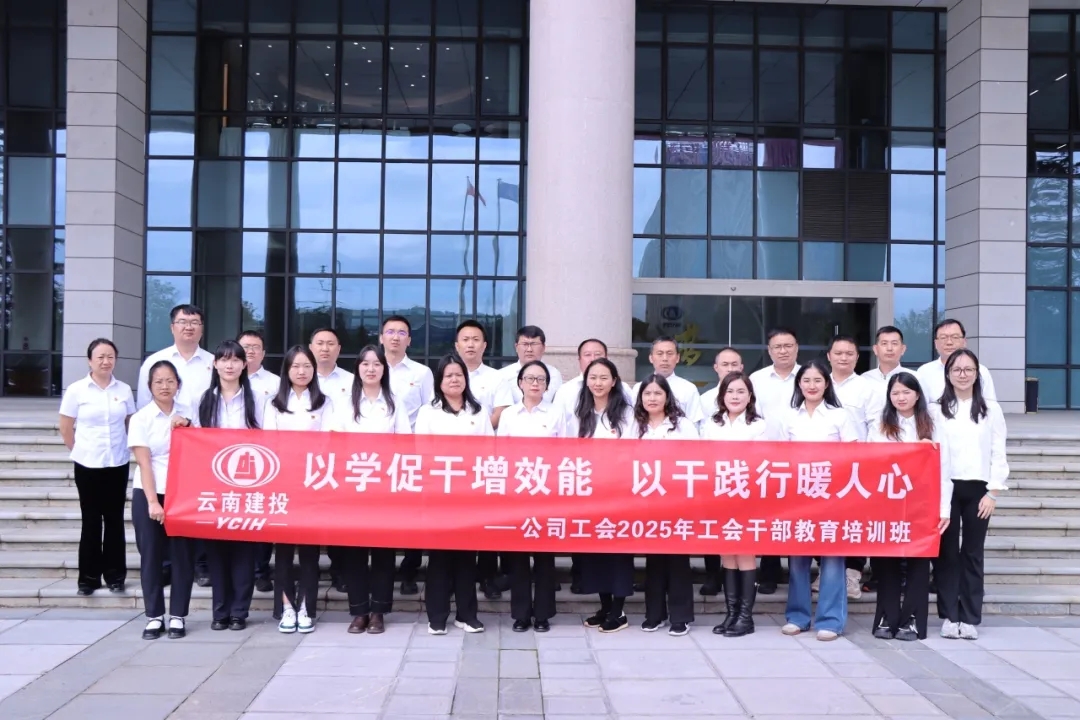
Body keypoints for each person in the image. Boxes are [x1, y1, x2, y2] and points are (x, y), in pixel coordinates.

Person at [776, 358, 860, 642]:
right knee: (797, 559)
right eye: (806, 380)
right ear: (799, 384)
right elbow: (778, 457)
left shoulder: (840, 416)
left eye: (817, 380)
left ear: (827, 384)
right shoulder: (789, 416)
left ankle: (830, 620)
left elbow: (854, 456)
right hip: (797, 496)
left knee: (832, 560)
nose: (812, 386)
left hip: (832, 496)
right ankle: (797, 617)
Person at [868, 372, 952, 641]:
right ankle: (887, 616)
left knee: (918, 560)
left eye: (906, 392)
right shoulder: (880, 424)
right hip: (888, 502)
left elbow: (945, 468)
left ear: (917, 395)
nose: (901, 398)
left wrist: (944, 509)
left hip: (923, 504)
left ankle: (912, 620)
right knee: (886, 561)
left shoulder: (933, 423)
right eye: (895, 393)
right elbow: (871, 462)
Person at [136, 303, 214, 587]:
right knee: (164, 511)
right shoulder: (155, 362)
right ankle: (166, 565)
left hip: (200, 447)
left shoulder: (212, 363)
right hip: (161, 449)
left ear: (202, 328)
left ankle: (201, 564)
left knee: (197, 506)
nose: (188, 327)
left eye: (194, 322)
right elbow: (144, 407)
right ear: (172, 327)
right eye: (182, 322)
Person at [933, 349, 1008, 641]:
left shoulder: (991, 409)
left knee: (973, 553)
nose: (962, 375)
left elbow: (998, 451)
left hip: (979, 489)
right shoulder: (936, 409)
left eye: (968, 370)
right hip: (945, 488)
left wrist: (993, 492)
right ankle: (950, 616)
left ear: (977, 374)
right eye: (957, 369)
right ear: (948, 374)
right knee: (947, 554)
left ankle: (970, 617)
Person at [416, 353, 493, 635]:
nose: (454, 380)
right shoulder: (428, 412)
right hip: (439, 493)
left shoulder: (478, 411)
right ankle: (436, 617)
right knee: (439, 558)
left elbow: (489, 450)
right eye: (448, 375)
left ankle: (467, 615)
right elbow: (421, 452)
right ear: (439, 380)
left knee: (466, 558)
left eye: (458, 375)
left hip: (470, 495)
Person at [336, 344, 411, 635]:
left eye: (376, 364)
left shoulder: (394, 402)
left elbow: (405, 444)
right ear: (358, 368)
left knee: (382, 553)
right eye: (365, 363)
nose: (371, 369)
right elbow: (334, 443)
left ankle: (378, 612)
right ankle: (359, 612)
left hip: (385, 489)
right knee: (354, 553)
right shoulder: (344, 402)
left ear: (384, 369)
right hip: (353, 487)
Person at [264, 345, 337, 634]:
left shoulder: (324, 402)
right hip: (282, 483)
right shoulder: (274, 403)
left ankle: (306, 607)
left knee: (309, 551)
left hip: (312, 483)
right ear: (287, 370)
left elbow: (327, 441)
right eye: (295, 366)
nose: (302, 371)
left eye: (307, 366)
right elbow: (270, 443)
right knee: (283, 551)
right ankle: (286, 607)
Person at [195, 340, 263, 631]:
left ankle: (239, 612)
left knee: (243, 553)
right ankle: (220, 611)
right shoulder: (204, 399)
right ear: (215, 364)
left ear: (244, 365)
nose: (230, 365)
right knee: (217, 552)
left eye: (235, 360)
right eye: (224, 360)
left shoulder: (256, 399)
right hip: (214, 486)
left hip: (248, 485)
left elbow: (266, 439)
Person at [59, 338, 136, 596]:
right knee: (91, 520)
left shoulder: (123, 389)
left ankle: (115, 576)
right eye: (100, 357)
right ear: (90, 360)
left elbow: (129, 422)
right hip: (87, 464)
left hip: (117, 462)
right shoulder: (77, 390)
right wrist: (79, 450)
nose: (106, 361)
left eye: (110, 357)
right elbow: (66, 427)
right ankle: (88, 578)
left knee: (114, 520)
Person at [498, 360, 568, 633]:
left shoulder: (557, 413)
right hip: (516, 493)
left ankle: (543, 615)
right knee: (517, 558)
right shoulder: (509, 415)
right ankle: (521, 614)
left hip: (546, 492)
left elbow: (565, 453)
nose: (535, 383)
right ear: (520, 383)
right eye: (530, 378)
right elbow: (501, 453)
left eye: (541, 379)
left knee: (544, 558)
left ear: (547, 385)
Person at [128, 360, 195, 640]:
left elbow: (200, 449)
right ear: (150, 386)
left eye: (170, 381)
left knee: (183, 556)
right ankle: (154, 616)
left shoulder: (188, 414)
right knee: (151, 557)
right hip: (148, 492)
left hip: (182, 492)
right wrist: (153, 502)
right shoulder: (141, 418)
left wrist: (187, 427)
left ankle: (178, 615)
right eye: (158, 381)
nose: (164, 386)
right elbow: (144, 463)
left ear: (178, 384)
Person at [571, 358, 635, 633]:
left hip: (619, 494)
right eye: (593, 377)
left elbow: (633, 452)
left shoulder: (626, 413)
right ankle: (605, 606)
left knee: (617, 553)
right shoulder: (581, 412)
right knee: (595, 551)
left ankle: (619, 611)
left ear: (614, 381)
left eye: (603, 378)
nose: (598, 383)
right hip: (590, 493)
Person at [701, 372, 767, 637]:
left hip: (746, 496)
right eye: (730, 391)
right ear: (722, 396)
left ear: (750, 396)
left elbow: (759, 462)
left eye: (741, 391)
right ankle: (731, 614)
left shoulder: (759, 425)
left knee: (745, 553)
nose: (735, 396)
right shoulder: (712, 424)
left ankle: (745, 617)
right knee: (727, 552)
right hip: (718, 495)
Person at [634, 374, 699, 637]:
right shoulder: (633, 425)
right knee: (653, 560)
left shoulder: (682, 425)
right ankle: (654, 614)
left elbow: (696, 460)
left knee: (677, 559)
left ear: (667, 397)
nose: (652, 398)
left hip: (676, 501)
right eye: (647, 393)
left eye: (657, 393)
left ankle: (680, 616)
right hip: (644, 501)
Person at [379, 315, 434, 596]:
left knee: (413, 513)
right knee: (383, 513)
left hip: (413, 453)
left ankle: (410, 569)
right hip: (376, 457)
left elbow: (431, 410)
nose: (395, 337)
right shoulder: (370, 368)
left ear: (409, 340)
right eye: (390, 331)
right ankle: (382, 571)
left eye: (402, 332)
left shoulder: (422, 373)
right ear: (381, 338)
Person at [452, 320, 505, 599]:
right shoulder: (447, 374)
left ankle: (487, 577)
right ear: (457, 345)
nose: (470, 344)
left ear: (484, 345)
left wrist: (477, 428)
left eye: (475, 339)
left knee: (485, 518)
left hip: (485, 459)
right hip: (451, 462)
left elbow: (501, 411)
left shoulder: (497, 377)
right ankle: (457, 576)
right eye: (465, 339)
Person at [748, 328, 801, 595]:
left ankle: (797, 573)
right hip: (765, 458)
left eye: (788, 346)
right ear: (769, 351)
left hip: (801, 458)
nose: (783, 351)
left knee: (797, 515)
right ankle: (769, 572)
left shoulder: (809, 377)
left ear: (796, 348)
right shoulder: (756, 379)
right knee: (769, 516)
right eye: (777, 347)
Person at [826, 335, 877, 600]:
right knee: (826, 519)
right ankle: (826, 572)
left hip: (858, 467)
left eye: (849, 353)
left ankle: (853, 573)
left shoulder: (868, 388)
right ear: (829, 356)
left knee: (855, 521)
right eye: (838, 353)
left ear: (857, 357)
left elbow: (875, 426)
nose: (843, 358)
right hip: (824, 468)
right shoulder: (818, 383)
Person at [308, 327, 353, 592]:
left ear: (339, 349)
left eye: (330, 343)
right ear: (311, 347)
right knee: (309, 518)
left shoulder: (351, 381)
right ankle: (309, 572)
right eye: (320, 343)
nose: (325, 348)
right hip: (305, 461)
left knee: (339, 519)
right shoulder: (301, 377)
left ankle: (340, 571)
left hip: (341, 461)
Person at [697, 346, 744, 597]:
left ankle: (737, 582)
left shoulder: (749, 397)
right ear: (716, 368)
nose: (730, 368)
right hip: (713, 476)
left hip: (743, 478)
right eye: (725, 364)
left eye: (734, 364)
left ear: (742, 367)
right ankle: (712, 576)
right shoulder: (705, 399)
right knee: (712, 528)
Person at [238, 330, 279, 594]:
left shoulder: (275, 383)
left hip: (266, 460)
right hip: (233, 460)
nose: (250, 351)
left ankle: (261, 570)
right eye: (245, 346)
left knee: (262, 518)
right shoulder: (226, 380)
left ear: (263, 353)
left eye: (255, 347)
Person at [491, 325, 564, 429]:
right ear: (516, 347)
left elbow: (557, 406)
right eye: (525, 344)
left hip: (546, 428)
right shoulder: (502, 375)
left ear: (543, 347)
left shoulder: (554, 374)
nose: (529, 349)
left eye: (534, 344)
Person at [917, 319, 997, 403]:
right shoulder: (924, 372)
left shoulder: (981, 370)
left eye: (955, 337)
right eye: (943, 338)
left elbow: (990, 404)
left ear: (964, 342)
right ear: (936, 344)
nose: (949, 342)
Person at [632, 337, 704, 429]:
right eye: (660, 354)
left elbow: (695, 423)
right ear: (651, 358)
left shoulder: (689, 388)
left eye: (669, 354)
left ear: (677, 358)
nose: (665, 358)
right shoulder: (638, 388)